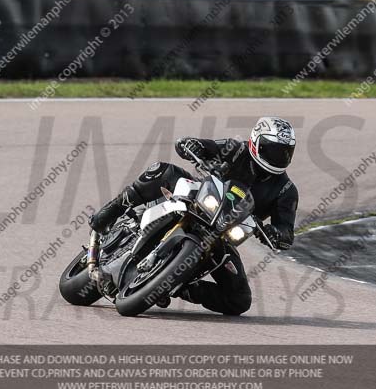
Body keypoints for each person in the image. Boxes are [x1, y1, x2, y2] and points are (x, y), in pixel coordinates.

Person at [89, 117, 298, 316]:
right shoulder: (237, 149)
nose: (279, 157)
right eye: (273, 149)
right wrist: (192, 146)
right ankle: (111, 211)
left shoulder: (286, 190)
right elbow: (204, 146)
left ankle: (179, 286)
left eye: (286, 152)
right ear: (256, 141)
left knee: (240, 300)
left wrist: (276, 233)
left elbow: (287, 231)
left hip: (222, 235)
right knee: (163, 170)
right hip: (199, 199)